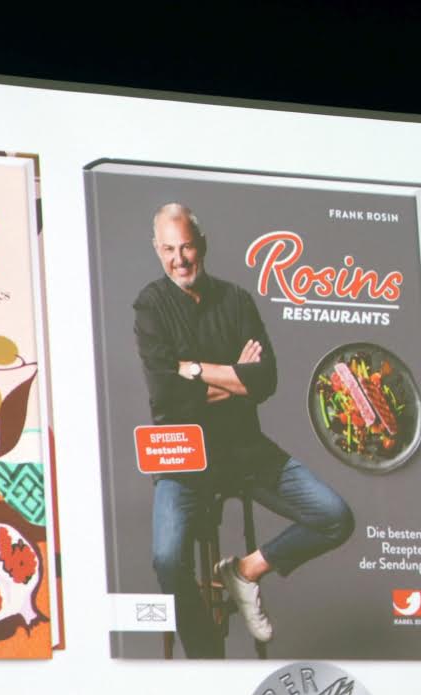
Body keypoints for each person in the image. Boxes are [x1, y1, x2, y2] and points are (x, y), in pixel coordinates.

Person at [134, 202, 354, 658]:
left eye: (187, 247)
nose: (180, 259)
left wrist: (194, 370)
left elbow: (265, 380)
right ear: (156, 250)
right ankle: (206, 657)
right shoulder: (150, 304)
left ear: (202, 245)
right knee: (168, 560)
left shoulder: (236, 300)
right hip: (182, 454)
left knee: (335, 515)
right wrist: (235, 378)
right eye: (169, 249)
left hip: (244, 451)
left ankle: (244, 572)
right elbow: (166, 396)